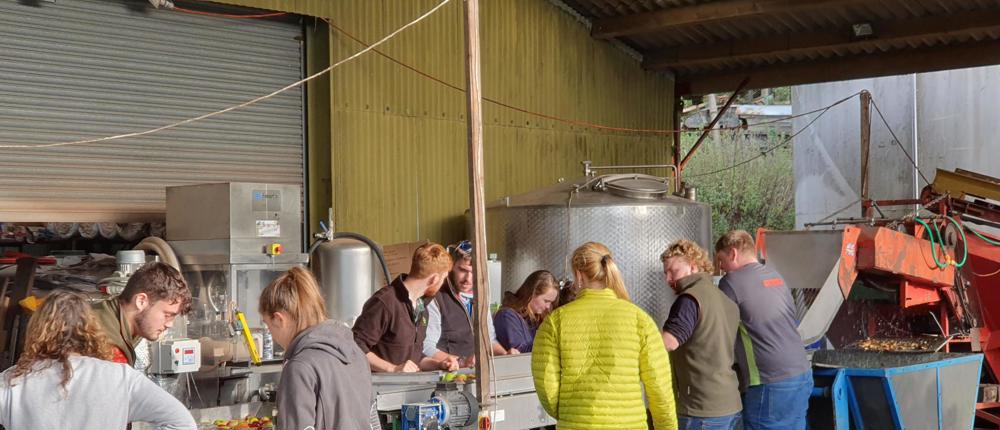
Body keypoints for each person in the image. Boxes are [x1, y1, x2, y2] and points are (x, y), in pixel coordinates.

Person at [0, 291, 196, 430]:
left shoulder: (12, 380)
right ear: (90, 329)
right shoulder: (120, 377)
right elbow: (181, 423)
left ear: (37, 330)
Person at [532, 242, 677, 430]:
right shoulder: (640, 319)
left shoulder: (555, 322)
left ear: (578, 275)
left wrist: (570, 412)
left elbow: (546, 384)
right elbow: (660, 388)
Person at [716, 230, 812, 430]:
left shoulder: (731, 282)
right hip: (801, 373)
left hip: (769, 380)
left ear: (733, 253)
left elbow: (718, 330)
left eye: (721, 260)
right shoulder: (775, 275)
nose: (720, 268)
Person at [260, 266, 372, 430]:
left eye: (268, 326)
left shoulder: (300, 367)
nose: (272, 335)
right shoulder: (356, 354)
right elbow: (372, 419)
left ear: (278, 319)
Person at [661, 240, 742, 429]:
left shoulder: (689, 299)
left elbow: (668, 343)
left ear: (693, 265)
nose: (668, 279)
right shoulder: (723, 297)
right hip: (731, 403)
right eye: (665, 273)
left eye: (673, 271)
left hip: (702, 410)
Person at [353, 242, 459, 373]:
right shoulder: (385, 302)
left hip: (406, 389)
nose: (442, 284)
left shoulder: (421, 308)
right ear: (434, 279)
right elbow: (354, 347)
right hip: (379, 390)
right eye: (443, 279)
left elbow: (415, 359)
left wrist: (439, 364)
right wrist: (392, 368)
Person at [423, 240, 516, 365]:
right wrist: (461, 362)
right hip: (447, 376)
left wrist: (506, 356)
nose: (468, 279)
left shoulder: (481, 297)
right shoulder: (436, 298)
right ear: (451, 267)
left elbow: (489, 340)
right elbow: (426, 347)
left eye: (474, 273)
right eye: (462, 270)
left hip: (475, 373)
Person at [91, 262, 193, 366]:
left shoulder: (109, 313)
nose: (169, 324)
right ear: (141, 301)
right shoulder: (109, 347)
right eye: (167, 315)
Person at [493, 270, 559, 353]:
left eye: (551, 302)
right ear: (531, 294)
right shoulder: (507, 316)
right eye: (546, 301)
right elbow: (520, 351)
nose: (548, 306)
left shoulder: (533, 319)